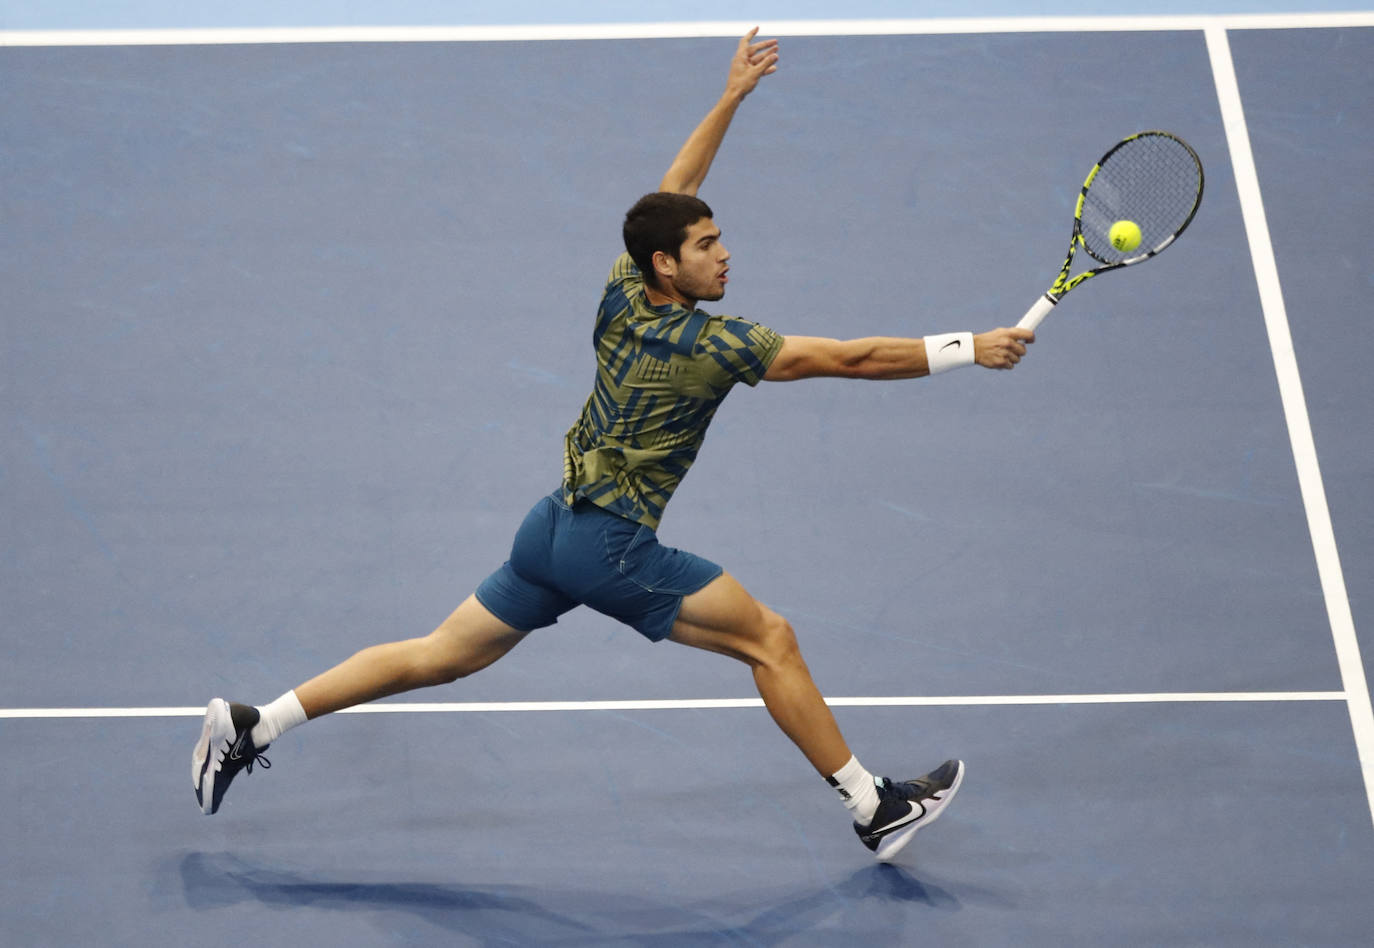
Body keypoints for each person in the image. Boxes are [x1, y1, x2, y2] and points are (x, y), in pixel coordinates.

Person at [192, 29, 1034, 863]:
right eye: (707, 246)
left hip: (551, 527)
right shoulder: (721, 346)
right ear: (668, 265)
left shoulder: (624, 290)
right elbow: (853, 360)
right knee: (768, 639)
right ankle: (872, 805)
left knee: (437, 656)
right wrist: (973, 345)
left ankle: (255, 723)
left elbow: (676, 187)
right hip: (611, 549)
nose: (725, 253)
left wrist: (733, 95)